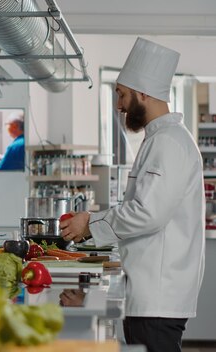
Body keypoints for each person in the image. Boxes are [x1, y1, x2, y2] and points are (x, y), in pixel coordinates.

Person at [60, 37, 205, 352]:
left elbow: (146, 214)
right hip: (150, 294)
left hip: (158, 297)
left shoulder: (168, 143)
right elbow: (142, 214)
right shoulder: (161, 140)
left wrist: (89, 223)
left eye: (122, 95)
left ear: (143, 93)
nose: (118, 105)